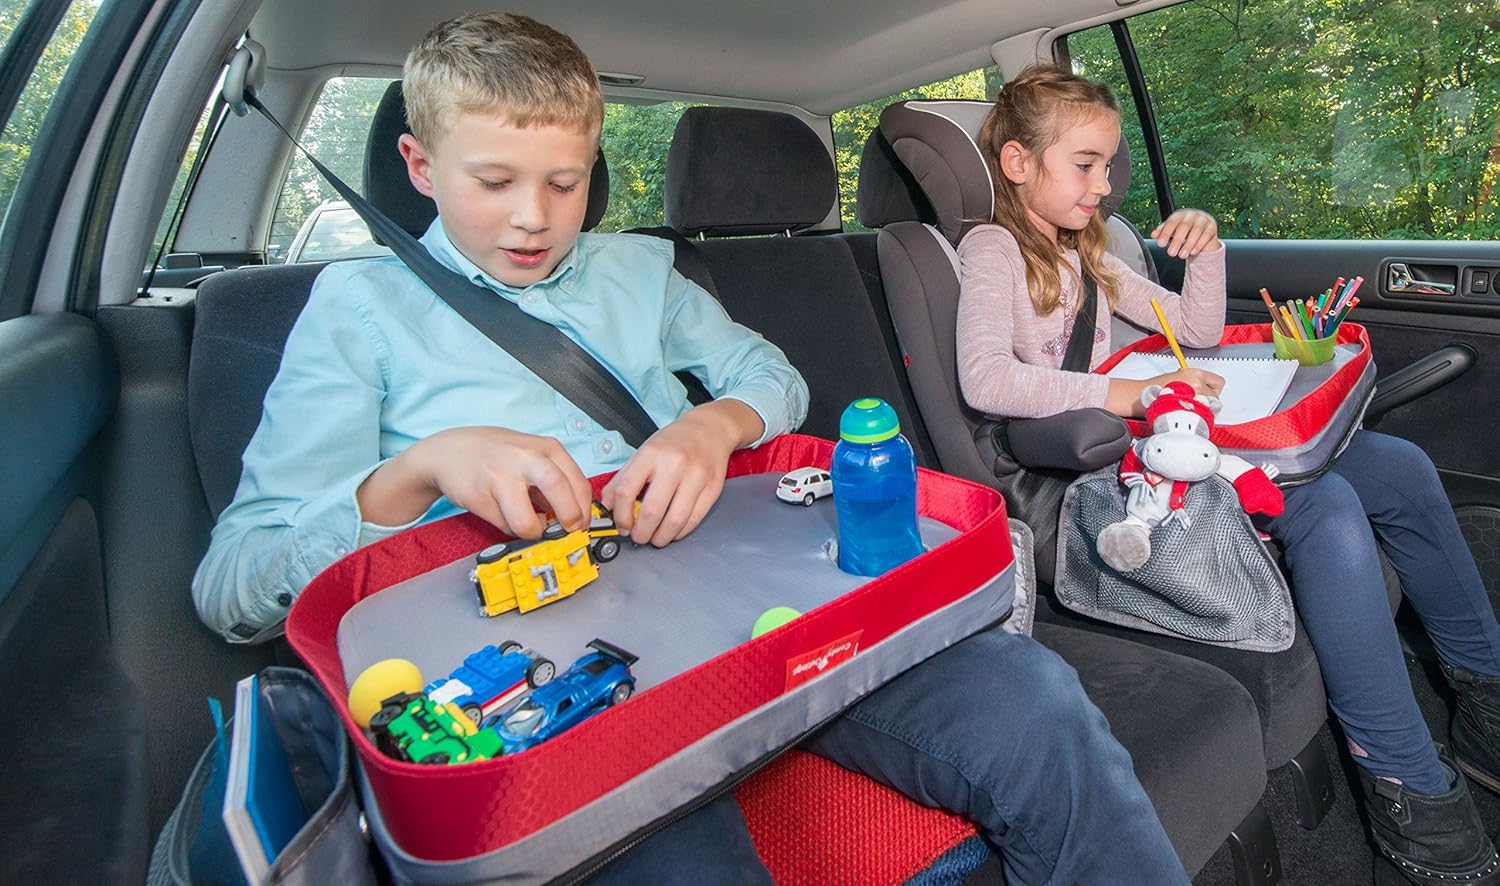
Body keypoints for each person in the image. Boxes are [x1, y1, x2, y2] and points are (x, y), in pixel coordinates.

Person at [192, 16, 1187, 884]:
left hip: (746, 614)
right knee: (674, 855)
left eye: (565, 181)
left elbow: (771, 376)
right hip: (546, 693)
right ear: (420, 166)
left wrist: (714, 424)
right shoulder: (361, 309)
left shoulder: (636, 269)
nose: (535, 216)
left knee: (1033, 700)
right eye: (493, 181)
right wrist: (420, 468)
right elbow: (234, 585)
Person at [956, 63, 1500, 886]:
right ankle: (1407, 785)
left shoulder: (1090, 248)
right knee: (1327, 502)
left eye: (1111, 167)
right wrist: (1125, 388)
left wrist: (1205, 251)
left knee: (1399, 464)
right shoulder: (994, 248)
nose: (1104, 186)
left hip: (1164, 441)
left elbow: (1196, 326)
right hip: (1101, 481)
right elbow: (986, 380)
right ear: (1018, 163)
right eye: (1086, 165)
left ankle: (1485, 695)